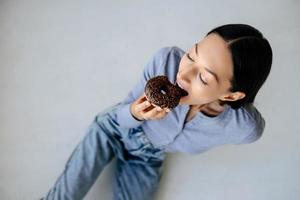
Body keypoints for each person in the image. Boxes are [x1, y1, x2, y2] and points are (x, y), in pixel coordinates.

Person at [42, 23, 273, 200]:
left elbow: (254, 129)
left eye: (203, 77)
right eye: (192, 55)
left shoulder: (242, 127)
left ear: (231, 95)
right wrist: (136, 112)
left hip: (147, 158)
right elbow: (119, 116)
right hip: (113, 130)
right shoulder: (166, 62)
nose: (183, 75)